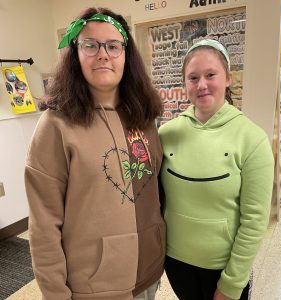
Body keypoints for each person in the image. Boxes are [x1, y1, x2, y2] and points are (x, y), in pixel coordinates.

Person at [25, 7, 166, 300]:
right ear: (75, 54)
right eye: (90, 44)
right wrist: (55, 294)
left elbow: (155, 193)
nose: (103, 54)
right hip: (92, 289)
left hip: (149, 275)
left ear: (127, 55)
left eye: (113, 45)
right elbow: (44, 224)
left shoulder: (145, 117)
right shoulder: (56, 125)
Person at [158, 39, 274, 300]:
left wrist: (232, 283)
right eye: (193, 77)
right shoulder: (166, 134)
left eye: (211, 75)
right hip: (175, 263)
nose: (201, 85)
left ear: (228, 78)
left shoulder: (252, 139)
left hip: (223, 268)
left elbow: (255, 220)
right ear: (185, 83)